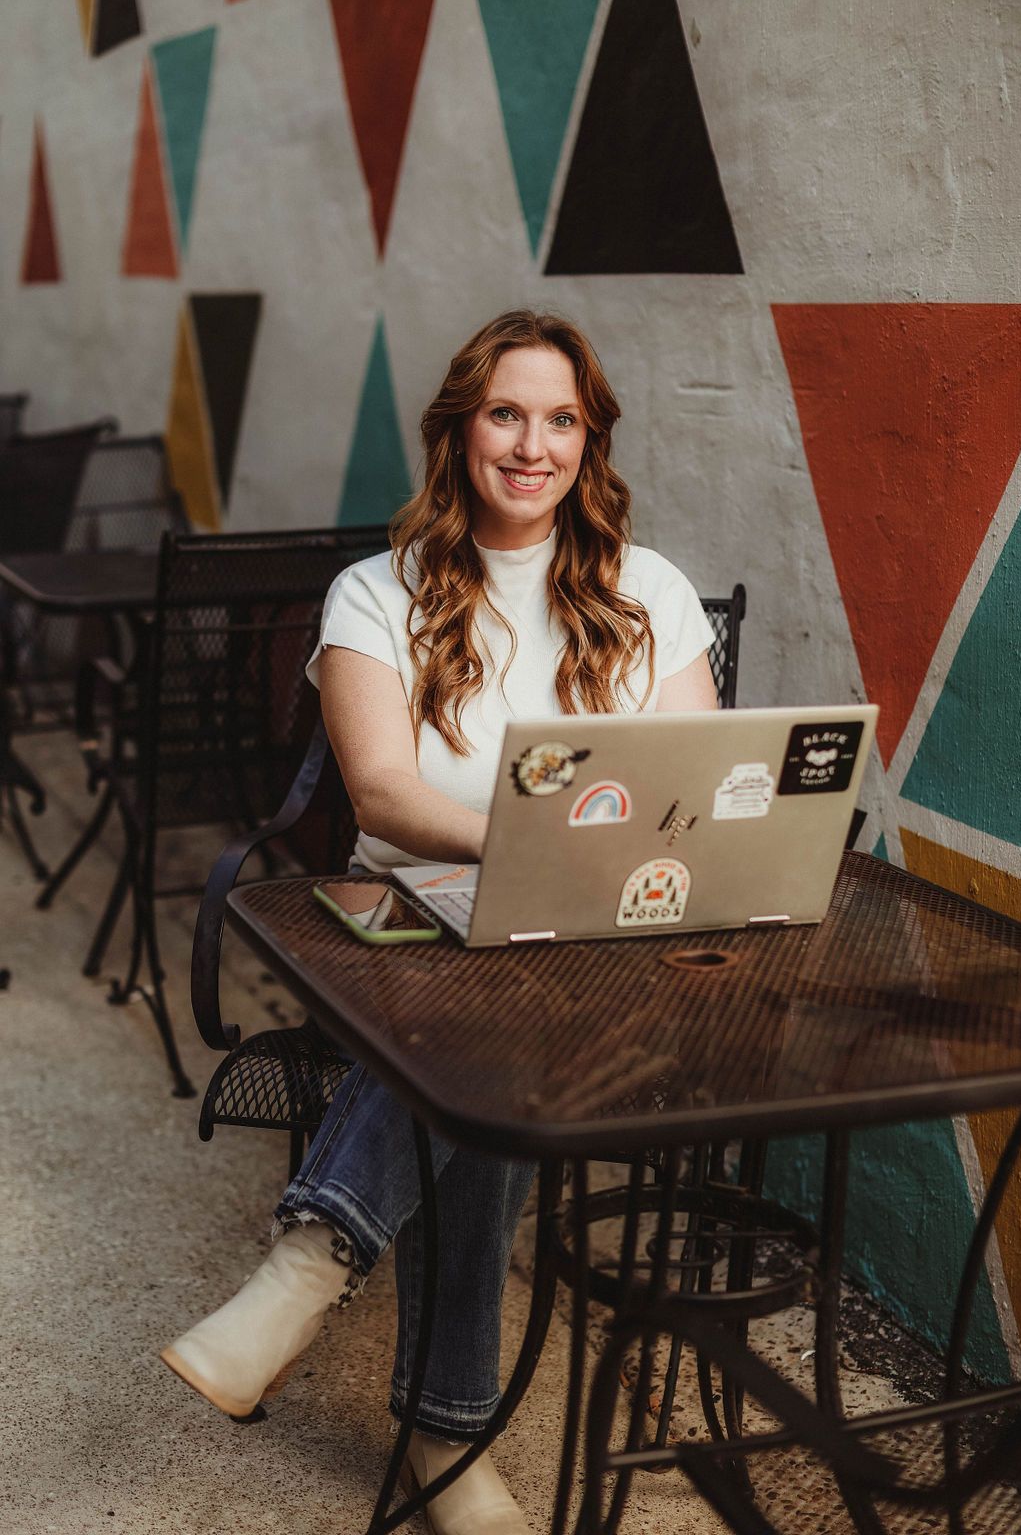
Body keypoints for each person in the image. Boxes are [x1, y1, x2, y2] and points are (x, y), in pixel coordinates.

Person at [161, 310, 718, 1534]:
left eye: (560, 419)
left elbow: (686, 780)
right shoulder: (375, 591)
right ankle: (445, 1441)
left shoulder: (651, 591)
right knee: (482, 1024)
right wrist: (537, 851)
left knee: (505, 1004)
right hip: (408, 917)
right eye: (506, 414)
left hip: (592, 934)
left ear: (591, 438)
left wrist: (574, 871)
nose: (533, 444)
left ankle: (311, 1266)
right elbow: (384, 797)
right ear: (459, 431)